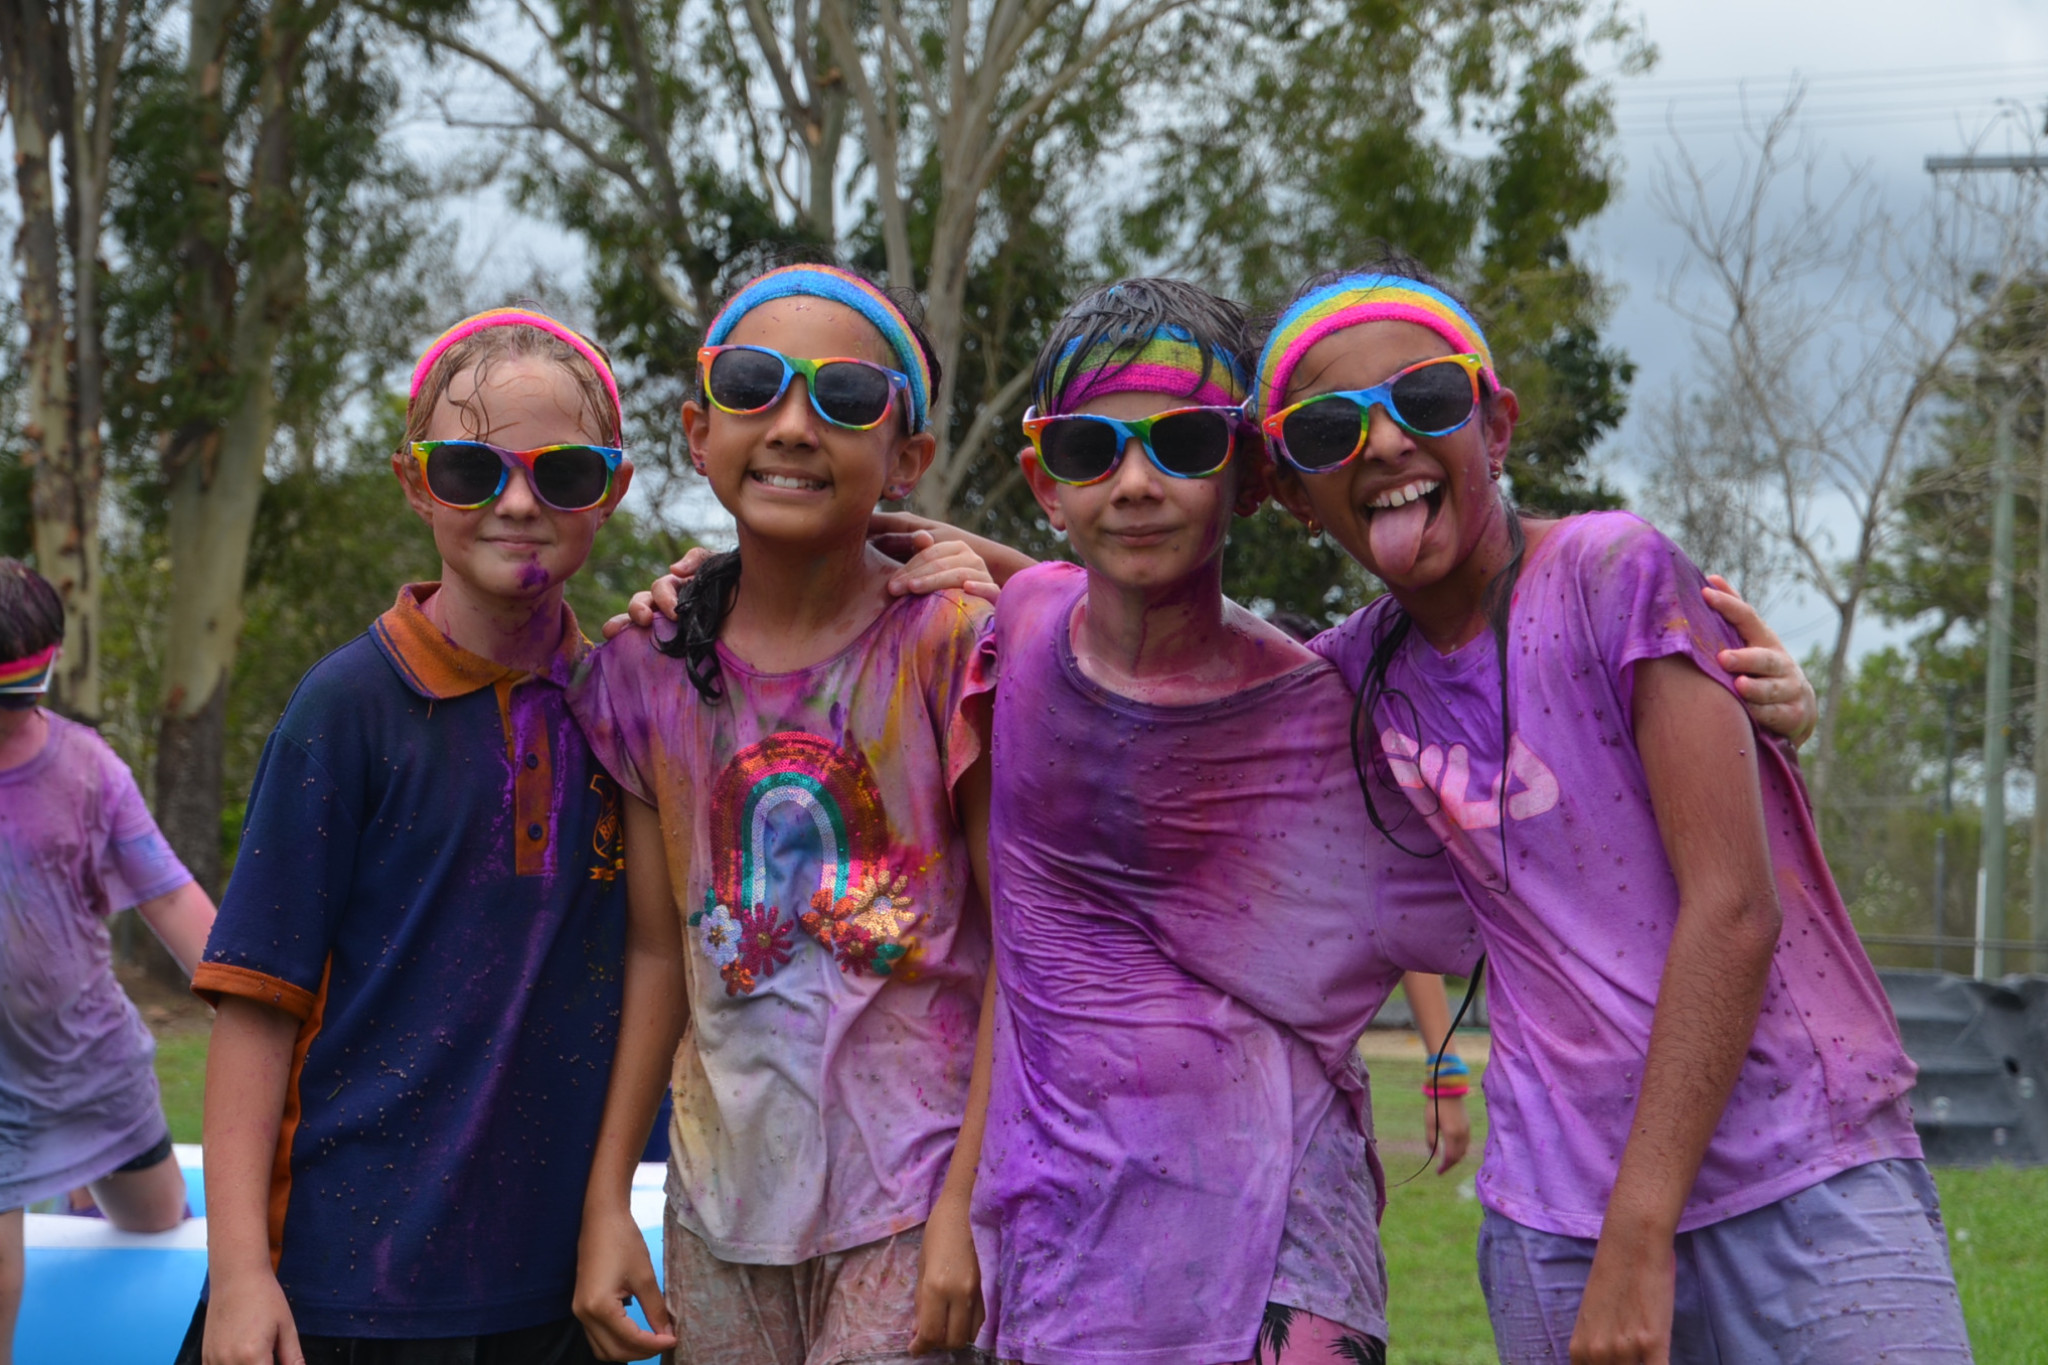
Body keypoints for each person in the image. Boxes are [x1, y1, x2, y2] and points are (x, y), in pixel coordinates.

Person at [1257, 250, 1969, 1364]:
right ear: (1293, 495)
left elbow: (1734, 909)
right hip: (1551, 1219)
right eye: (1325, 429)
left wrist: (1637, 1238)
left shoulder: (1610, 574)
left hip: (1795, 1171)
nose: (1386, 442)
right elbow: (1166, 679)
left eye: (1425, 398)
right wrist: (992, 572)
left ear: (1492, 428)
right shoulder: (1349, 679)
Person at [182, 308, 639, 1365]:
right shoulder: (344, 709)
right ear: (413, 481)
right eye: (472, 468)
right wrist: (244, 1273)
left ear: (611, 490)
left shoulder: (630, 701)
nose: (518, 502)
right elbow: (255, 1007)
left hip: (549, 1290)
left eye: (562, 472)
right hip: (342, 1287)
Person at [567, 262, 995, 1365]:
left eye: (846, 397)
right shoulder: (644, 671)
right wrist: (608, 1197)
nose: (795, 425)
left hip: (912, 1201)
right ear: (696, 430)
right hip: (721, 1210)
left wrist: (966, 1205)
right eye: (755, 386)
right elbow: (657, 952)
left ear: (907, 458)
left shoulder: (953, 650)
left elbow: (1020, 951)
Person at [0, 559, 215, 1365]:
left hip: (93, 1064)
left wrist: (261, 1003)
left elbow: (172, 900)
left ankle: (78, 1190)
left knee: (159, 1226)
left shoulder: (88, 767)